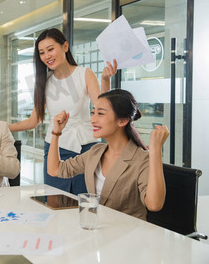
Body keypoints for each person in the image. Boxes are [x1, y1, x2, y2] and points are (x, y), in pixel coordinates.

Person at [9, 28, 117, 194]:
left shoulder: (84, 74)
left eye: (51, 49)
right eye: (42, 52)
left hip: (85, 148)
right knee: (54, 199)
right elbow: (34, 121)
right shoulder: (44, 81)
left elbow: (102, 109)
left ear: (65, 47)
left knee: (84, 199)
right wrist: (1, 127)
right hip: (54, 148)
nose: (47, 56)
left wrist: (105, 80)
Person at [47, 89, 169, 220]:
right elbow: (55, 170)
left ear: (122, 121)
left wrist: (155, 151)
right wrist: (56, 133)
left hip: (128, 233)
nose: (93, 119)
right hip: (97, 228)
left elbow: (154, 205)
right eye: (93, 113)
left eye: (100, 114)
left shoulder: (141, 159)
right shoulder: (96, 152)